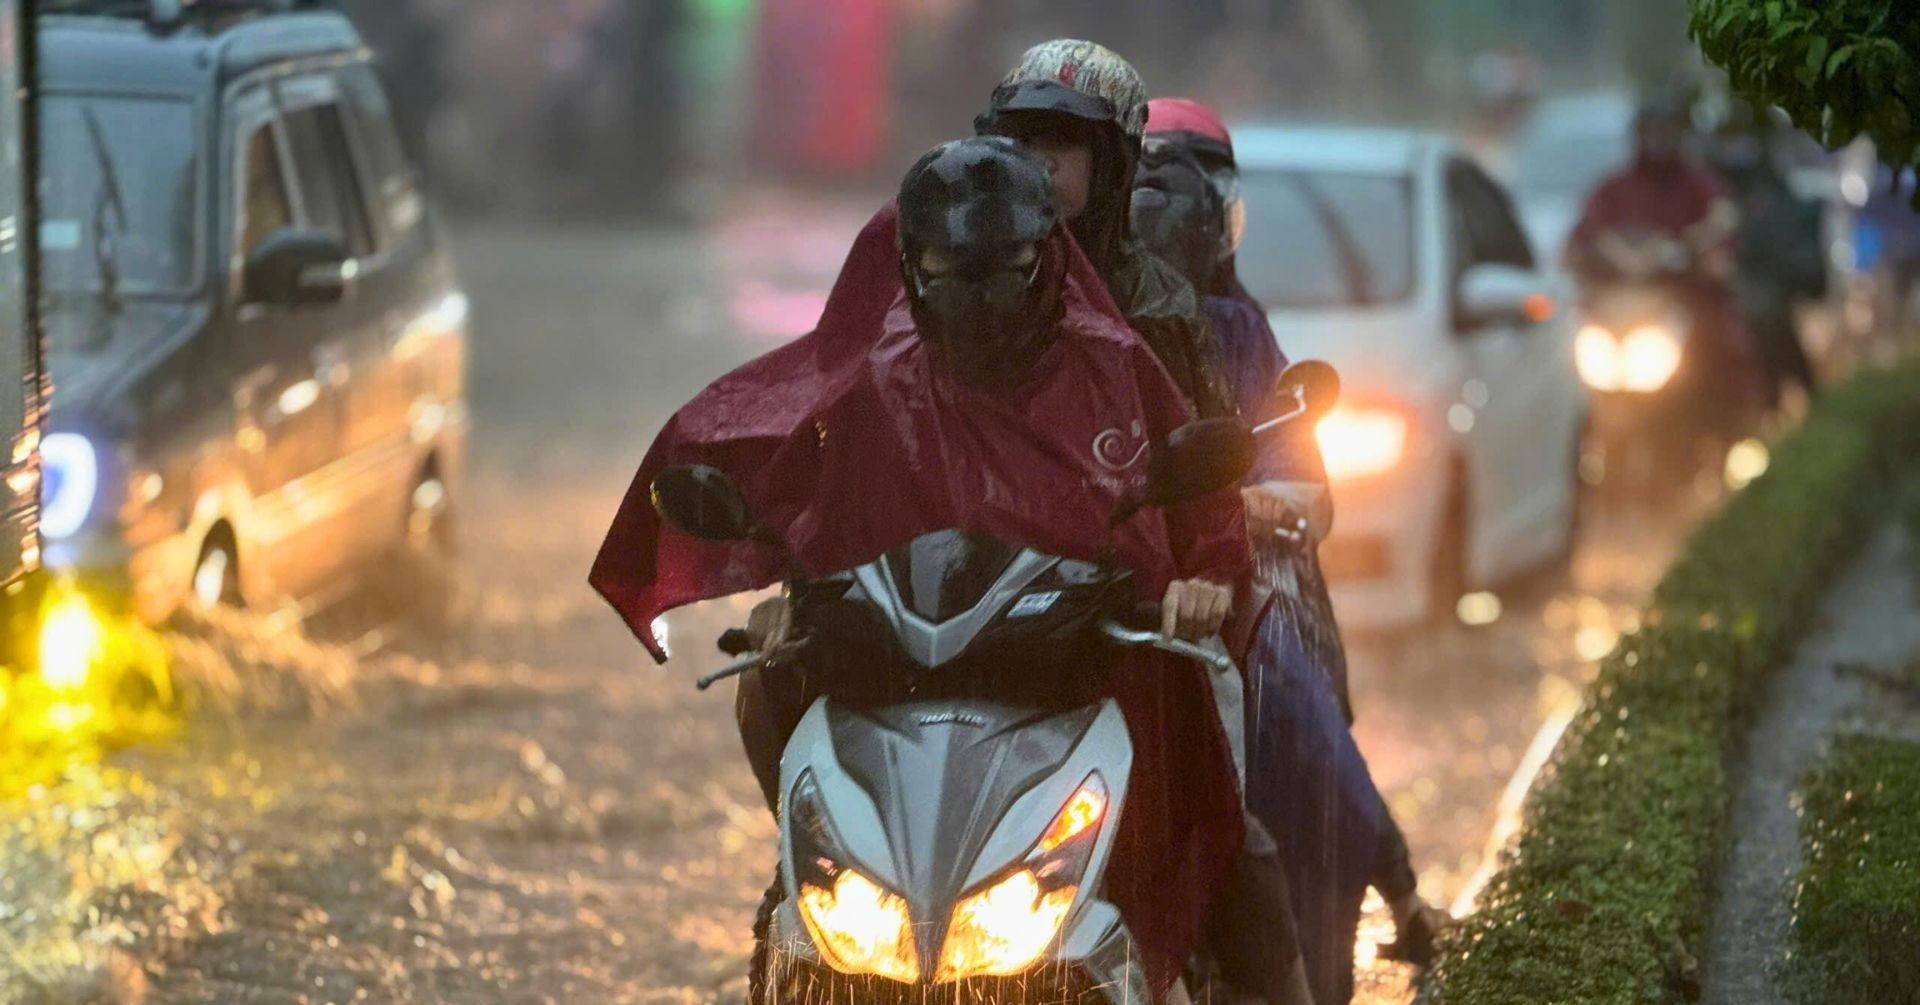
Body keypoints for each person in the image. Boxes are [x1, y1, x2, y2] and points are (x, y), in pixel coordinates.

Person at [590, 137, 1309, 1004]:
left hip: (1086, 669)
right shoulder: (876, 386)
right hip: (896, 673)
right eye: (950, 272)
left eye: (1003, 271)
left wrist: (1203, 583)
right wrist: (790, 603)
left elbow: (1201, 511)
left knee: (1227, 836)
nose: (981, 297)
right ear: (912, 271)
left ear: (1047, 263)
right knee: (774, 715)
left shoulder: (1114, 367)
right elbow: (823, 521)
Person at [1140, 99, 1447, 1003]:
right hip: (1094, 588)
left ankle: (1379, 886)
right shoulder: (1053, 334)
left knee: (1299, 732)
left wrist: (1246, 504)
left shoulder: (1230, 331)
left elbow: (1297, 475)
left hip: (1215, 582)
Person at [1565, 95, 1765, 417]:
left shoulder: (1700, 185)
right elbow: (1578, 242)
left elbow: (1722, 231)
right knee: (1570, 372)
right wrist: (1583, 258)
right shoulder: (1613, 189)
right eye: (1650, 132)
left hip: (1686, 303)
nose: (1657, 140)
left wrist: (1713, 259)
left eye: (1665, 132)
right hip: (1623, 311)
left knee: (1727, 348)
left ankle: (1736, 428)